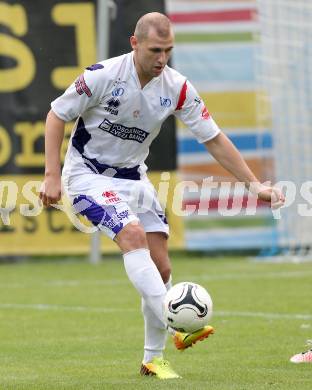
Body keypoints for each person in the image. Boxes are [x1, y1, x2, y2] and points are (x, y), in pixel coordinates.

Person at [40, 12, 285, 379]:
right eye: (155, 49)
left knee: (162, 267)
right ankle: (178, 327)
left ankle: (153, 360)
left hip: (134, 179)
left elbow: (214, 139)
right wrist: (51, 175)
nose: (162, 58)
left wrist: (254, 185)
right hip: (86, 175)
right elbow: (56, 115)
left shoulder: (178, 87)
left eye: (168, 50)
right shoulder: (102, 75)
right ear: (134, 43)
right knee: (133, 236)